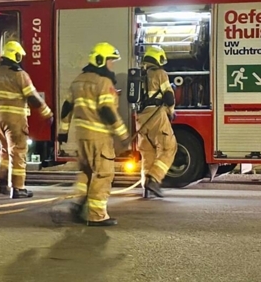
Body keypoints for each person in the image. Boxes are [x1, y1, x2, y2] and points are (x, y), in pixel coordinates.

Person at [58, 42, 129, 226]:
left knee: (86, 171)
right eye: (110, 61)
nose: (112, 64)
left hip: (81, 136)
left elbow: (66, 108)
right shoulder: (103, 81)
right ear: (100, 60)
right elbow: (107, 109)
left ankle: (78, 203)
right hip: (99, 137)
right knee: (103, 173)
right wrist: (122, 134)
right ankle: (96, 215)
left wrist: (63, 132)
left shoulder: (78, 80)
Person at [0, 40, 52, 198]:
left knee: (4, 150)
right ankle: (18, 188)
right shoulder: (20, 75)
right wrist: (46, 112)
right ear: (14, 55)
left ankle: (1, 182)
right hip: (15, 120)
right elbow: (32, 97)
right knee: (18, 152)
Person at [137, 44, 177, 198]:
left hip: (141, 118)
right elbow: (169, 96)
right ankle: (154, 179)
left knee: (148, 153)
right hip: (155, 115)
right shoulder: (160, 73)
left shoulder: (140, 74)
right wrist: (171, 112)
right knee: (169, 147)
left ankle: (146, 188)